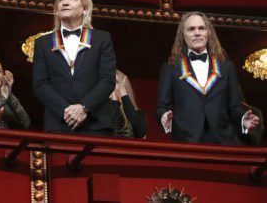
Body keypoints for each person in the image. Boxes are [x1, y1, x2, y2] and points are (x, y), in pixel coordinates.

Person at [156, 11, 260, 145]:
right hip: (186, 141)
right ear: (183, 35)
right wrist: (164, 116)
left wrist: (242, 119)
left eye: (201, 28)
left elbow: (234, 106)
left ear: (208, 33)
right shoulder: (171, 68)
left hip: (223, 141)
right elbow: (161, 106)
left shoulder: (227, 67)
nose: (197, 33)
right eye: (191, 29)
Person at [32, 0, 116, 136]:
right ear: (56, 9)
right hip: (58, 123)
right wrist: (66, 110)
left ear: (84, 9)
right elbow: (40, 84)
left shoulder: (101, 39)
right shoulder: (43, 43)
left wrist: (84, 107)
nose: (65, 2)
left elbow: (107, 80)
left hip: (96, 124)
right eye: (61, 0)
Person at [0, 57, 31, 129]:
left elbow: (26, 123)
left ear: (3, 76)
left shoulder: (8, 99)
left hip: (5, 139)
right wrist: (2, 99)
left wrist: (8, 92)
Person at [110, 70, 147, 138]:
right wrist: (114, 102)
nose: (111, 85)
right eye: (109, 81)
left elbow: (140, 133)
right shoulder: (99, 111)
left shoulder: (138, 114)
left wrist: (124, 96)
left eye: (116, 82)